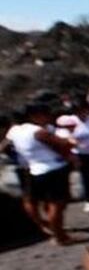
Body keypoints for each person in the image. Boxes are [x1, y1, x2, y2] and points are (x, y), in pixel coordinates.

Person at [3, 103, 76, 244]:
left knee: (41, 201)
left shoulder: (14, 131)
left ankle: (51, 229)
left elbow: (4, 146)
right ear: (34, 116)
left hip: (34, 169)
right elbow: (62, 144)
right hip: (53, 168)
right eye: (44, 115)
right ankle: (60, 236)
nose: (47, 118)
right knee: (57, 204)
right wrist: (70, 141)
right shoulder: (38, 132)